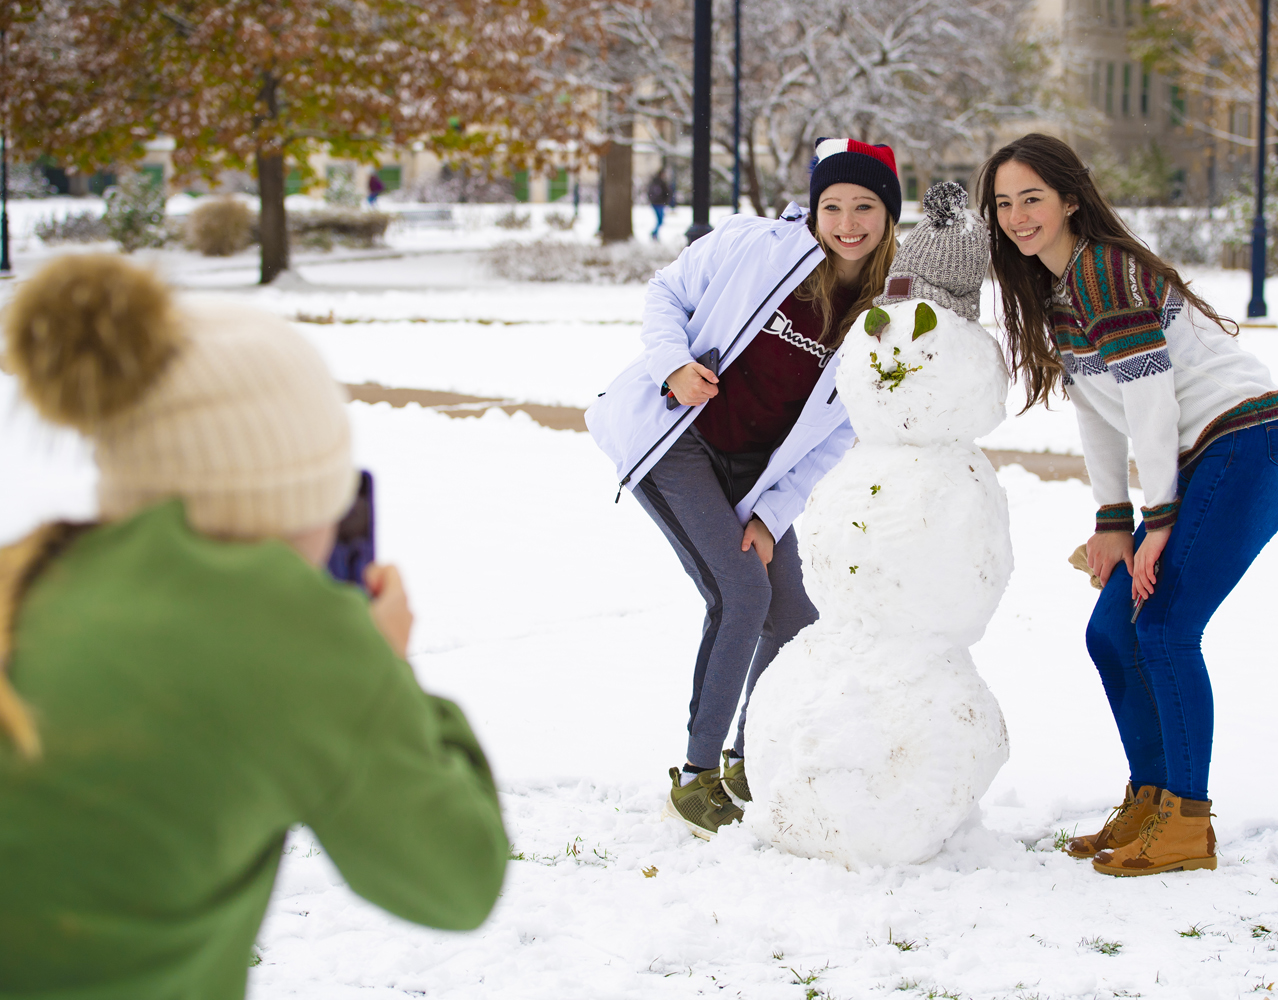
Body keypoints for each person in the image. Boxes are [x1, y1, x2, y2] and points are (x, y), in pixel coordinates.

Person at [0, 255, 509, 997]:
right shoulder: (296, 638)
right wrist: (387, 671)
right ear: (288, 495)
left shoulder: (35, 575)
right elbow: (459, 881)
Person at [977, 133, 1278, 877]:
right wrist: (1111, 521)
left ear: (1070, 199)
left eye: (1032, 197)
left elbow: (1153, 403)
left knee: (1161, 628)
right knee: (1111, 632)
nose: (1018, 215)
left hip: (1252, 445)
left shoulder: (1104, 271)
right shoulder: (1057, 289)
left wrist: (1157, 521)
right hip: (1203, 461)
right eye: (1004, 203)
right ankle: (1152, 798)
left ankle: (1187, 822)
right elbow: (1101, 410)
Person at [586, 138, 903, 838]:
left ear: (888, 216)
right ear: (813, 208)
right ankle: (697, 778)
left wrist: (771, 511)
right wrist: (672, 364)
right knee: (741, 592)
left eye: (865, 207)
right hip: (678, 440)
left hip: (752, 473)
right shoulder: (752, 244)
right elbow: (666, 292)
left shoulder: (879, 316)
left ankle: (745, 760)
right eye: (833, 206)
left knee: (791, 613)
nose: (847, 222)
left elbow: (833, 436)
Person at [647, 168, 673, 240]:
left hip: (658, 203)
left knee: (660, 220)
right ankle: (654, 233)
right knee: (660, 220)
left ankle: (655, 233)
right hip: (658, 204)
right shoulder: (659, 183)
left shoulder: (658, 182)